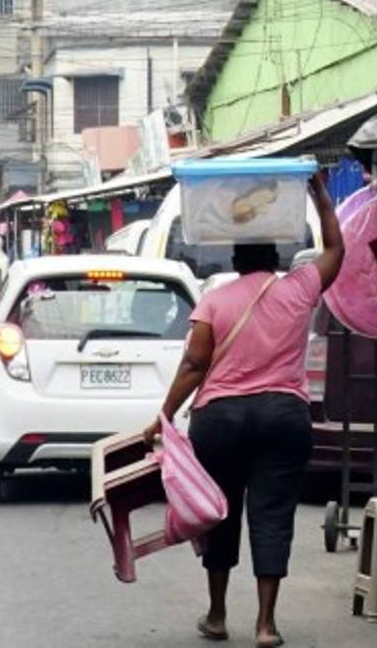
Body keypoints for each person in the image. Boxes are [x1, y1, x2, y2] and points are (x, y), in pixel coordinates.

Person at [142, 172, 344, 647]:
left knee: (220, 514)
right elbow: (337, 250)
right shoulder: (299, 289)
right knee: (273, 516)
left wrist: (165, 415)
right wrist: (319, 194)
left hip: (222, 421)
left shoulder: (214, 301)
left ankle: (216, 614)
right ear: (276, 259)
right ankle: (266, 624)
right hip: (283, 418)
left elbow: (195, 363)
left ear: (234, 260)